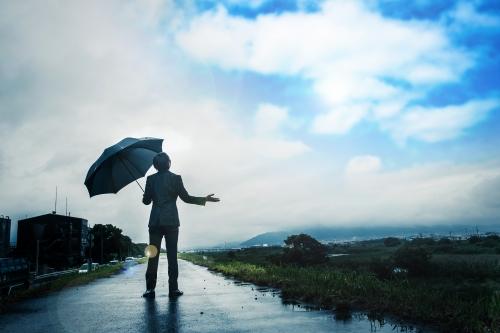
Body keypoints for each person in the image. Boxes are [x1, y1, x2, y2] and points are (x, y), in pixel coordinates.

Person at [142, 152, 219, 298]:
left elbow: (146, 202)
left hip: (155, 223)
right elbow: (187, 198)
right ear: (169, 163)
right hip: (171, 222)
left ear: (155, 165)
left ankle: (150, 289)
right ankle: (173, 289)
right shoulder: (176, 178)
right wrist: (205, 199)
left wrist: (146, 196)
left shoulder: (150, 179)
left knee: (152, 256)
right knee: (172, 256)